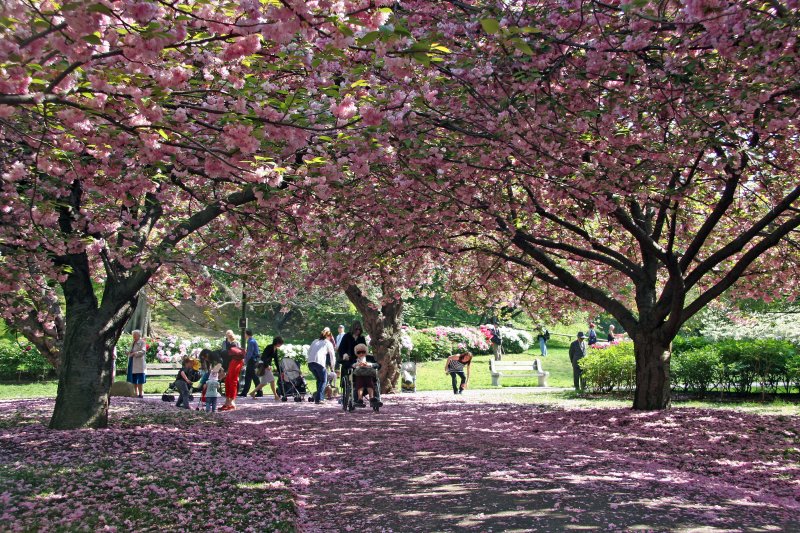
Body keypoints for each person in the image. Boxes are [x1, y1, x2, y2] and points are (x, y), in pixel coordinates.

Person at [308, 328, 335, 404]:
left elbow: (309, 351)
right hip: (319, 363)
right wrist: (332, 367)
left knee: (319, 380)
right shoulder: (328, 343)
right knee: (323, 380)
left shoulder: (315, 341)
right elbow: (332, 356)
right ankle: (320, 399)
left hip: (310, 363)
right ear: (328, 336)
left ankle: (318, 398)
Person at [220, 344, 245, 411]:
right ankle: (227, 403)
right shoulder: (225, 353)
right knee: (228, 382)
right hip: (235, 362)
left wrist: (223, 372)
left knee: (232, 382)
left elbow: (223, 365)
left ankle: (232, 403)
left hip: (235, 362)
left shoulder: (220, 356)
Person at [239, 329, 260, 397]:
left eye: (245, 334)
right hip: (254, 361)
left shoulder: (250, 342)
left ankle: (259, 392)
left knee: (253, 377)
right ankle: (245, 392)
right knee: (249, 377)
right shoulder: (252, 340)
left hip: (252, 361)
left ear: (247, 334)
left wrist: (245, 361)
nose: (244, 335)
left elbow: (250, 353)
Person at [128, 330, 147, 398]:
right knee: (134, 379)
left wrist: (134, 354)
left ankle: (140, 393)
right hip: (132, 362)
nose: (134, 337)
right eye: (133, 335)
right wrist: (128, 352)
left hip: (139, 363)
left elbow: (143, 351)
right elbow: (131, 350)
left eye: (135, 335)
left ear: (139, 335)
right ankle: (135, 393)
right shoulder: (133, 342)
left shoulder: (142, 342)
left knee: (140, 379)